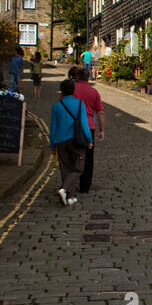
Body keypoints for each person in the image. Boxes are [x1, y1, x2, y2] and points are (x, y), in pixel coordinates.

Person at [49, 78, 93, 207]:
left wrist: (52, 144)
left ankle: (70, 197)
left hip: (61, 141)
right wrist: (89, 140)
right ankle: (64, 189)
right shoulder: (80, 104)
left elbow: (53, 127)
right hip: (76, 141)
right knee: (78, 168)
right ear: (73, 91)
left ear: (61, 91)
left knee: (65, 169)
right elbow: (84, 125)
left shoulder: (56, 106)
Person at [71, 64, 105, 193]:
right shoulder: (93, 92)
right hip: (89, 128)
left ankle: (70, 184)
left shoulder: (71, 88)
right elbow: (100, 112)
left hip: (72, 126)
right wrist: (101, 130)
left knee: (72, 155)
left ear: (78, 77)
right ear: (88, 77)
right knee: (88, 158)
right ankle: (85, 186)